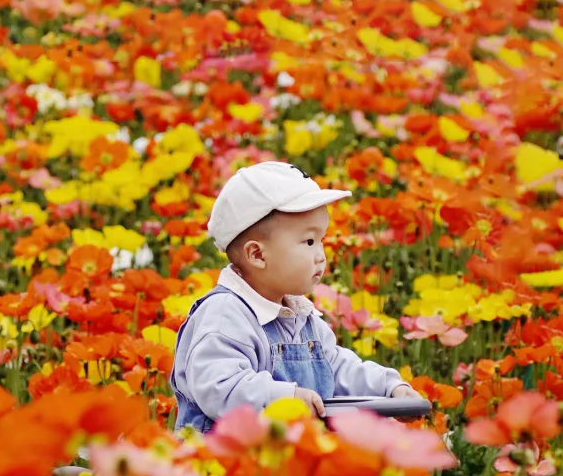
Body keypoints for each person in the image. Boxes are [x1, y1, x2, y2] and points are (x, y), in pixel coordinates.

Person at [170, 160, 425, 433]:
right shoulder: (225, 313)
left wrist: (390, 387)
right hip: (222, 465)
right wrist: (283, 400)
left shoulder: (301, 316)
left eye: (322, 240)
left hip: (284, 463)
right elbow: (218, 387)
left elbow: (338, 367)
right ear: (257, 254)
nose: (321, 255)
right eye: (309, 242)